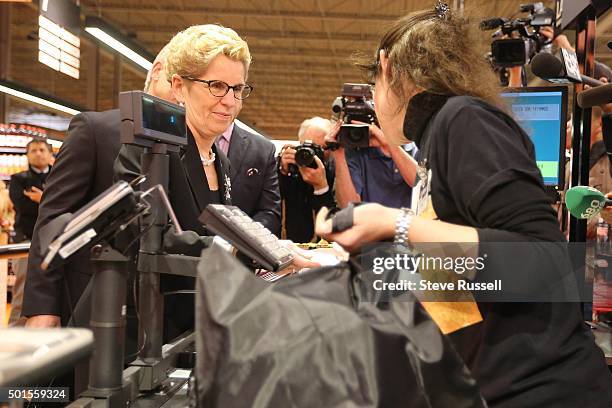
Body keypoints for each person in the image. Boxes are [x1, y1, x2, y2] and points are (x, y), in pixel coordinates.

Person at [315, 6, 612, 407]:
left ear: (388, 67)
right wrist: (334, 267)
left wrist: (396, 222)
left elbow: (544, 260)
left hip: (541, 390)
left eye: (373, 83)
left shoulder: (464, 119)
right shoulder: (435, 140)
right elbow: (461, 268)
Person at [22, 44, 175, 329]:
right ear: (157, 72)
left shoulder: (192, 147)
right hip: (89, 301)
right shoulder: (96, 129)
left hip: (156, 312)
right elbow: (53, 217)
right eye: (180, 77)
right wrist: (42, 305)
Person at [8, 138, 53, 325]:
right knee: (22, 291)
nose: (38, 153)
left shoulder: (58, 177)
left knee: (52, 292)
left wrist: (41, 199)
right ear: (27, 154)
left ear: (50, 154)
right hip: (25, 241)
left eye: (42, 149)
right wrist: (49, 201)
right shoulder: (18, 179)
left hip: (54, 241)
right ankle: (14, 335)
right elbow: (22, 206)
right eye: (33, 150)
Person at [329, 120, 418, 209]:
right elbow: (349, 207)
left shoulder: (413, 145)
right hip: (370, 222)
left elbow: (422, 184)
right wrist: (338, 153)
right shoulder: (354, 151)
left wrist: (389, 145)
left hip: (408, 221)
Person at [216, 120, 281, 236]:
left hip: (242, 247)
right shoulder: (179, 139)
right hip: (189, 247)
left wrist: (245, 237)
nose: (228, 102)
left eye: (237, 99)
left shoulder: (263, 149)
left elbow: (270, 211)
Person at [277, 116, 336, 242]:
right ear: (299, 145)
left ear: (331, 149)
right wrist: (282, 171)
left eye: (321, 148)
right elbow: (272, 205)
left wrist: (321, 186)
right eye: (307, 147)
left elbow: (335, 223)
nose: (312, 154)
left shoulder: (337, 174)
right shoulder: (289, 171)